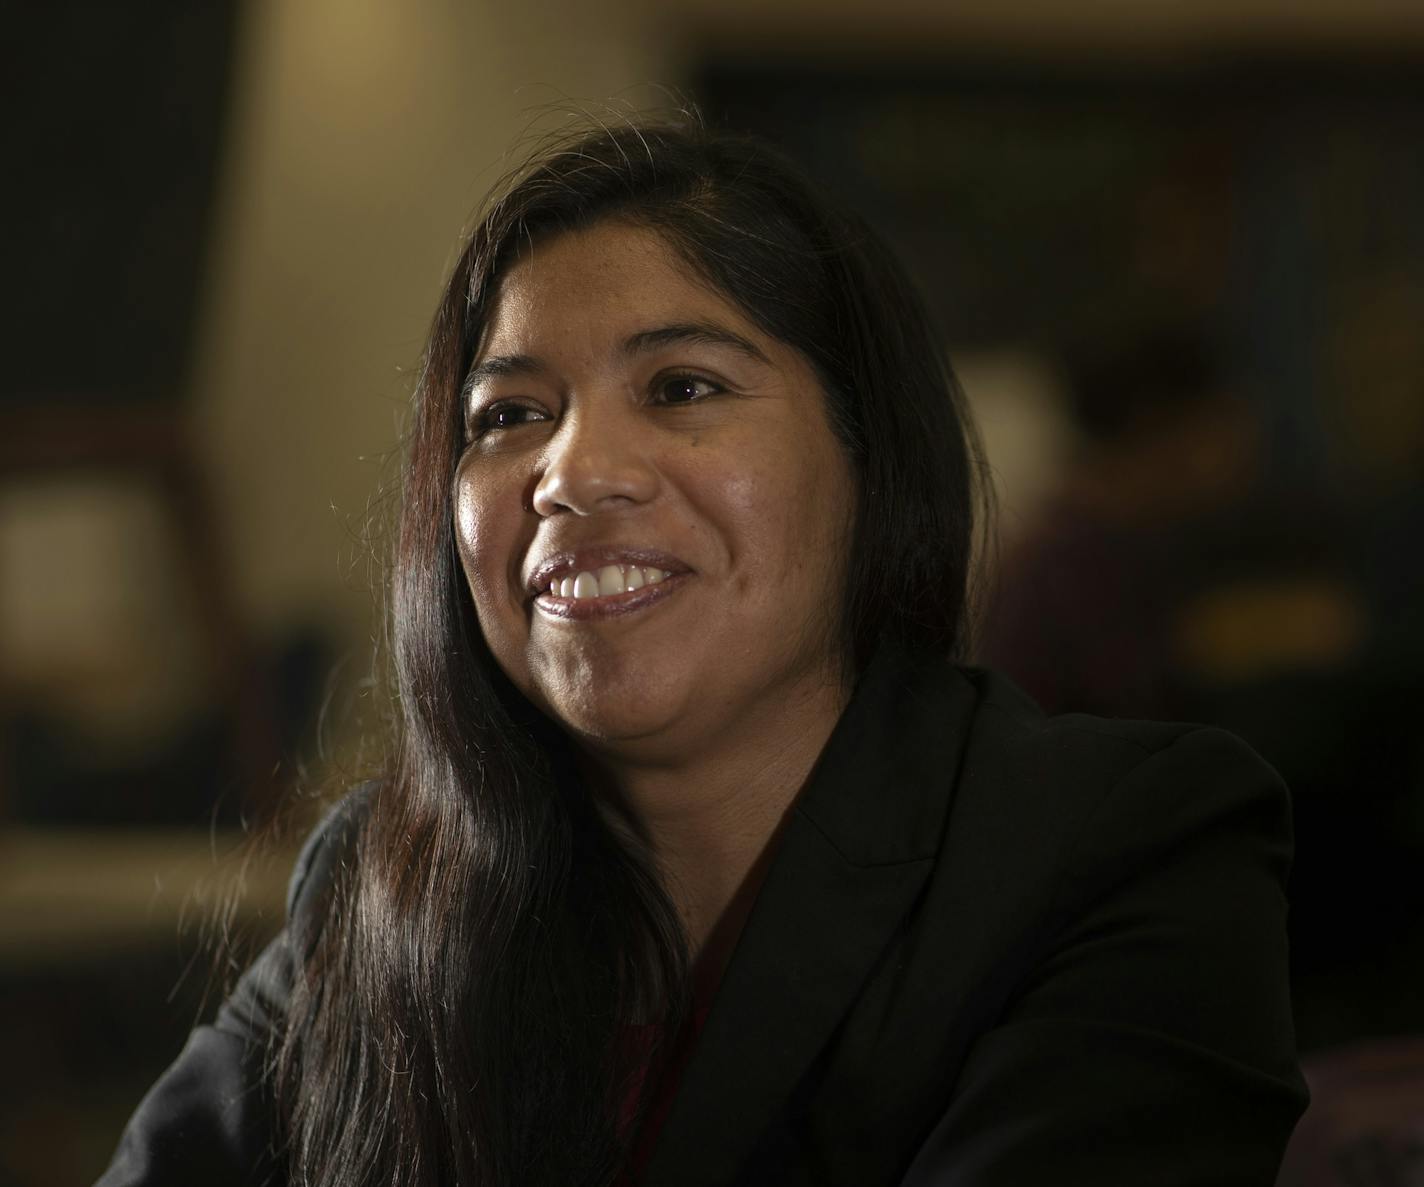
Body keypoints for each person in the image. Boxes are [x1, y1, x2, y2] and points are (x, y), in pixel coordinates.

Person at [97, 118, 1307, 1187]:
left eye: (681, 386)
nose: (570, 474)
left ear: (869, 460)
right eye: (509, 414)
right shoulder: (375, 885)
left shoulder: (1122, 850)